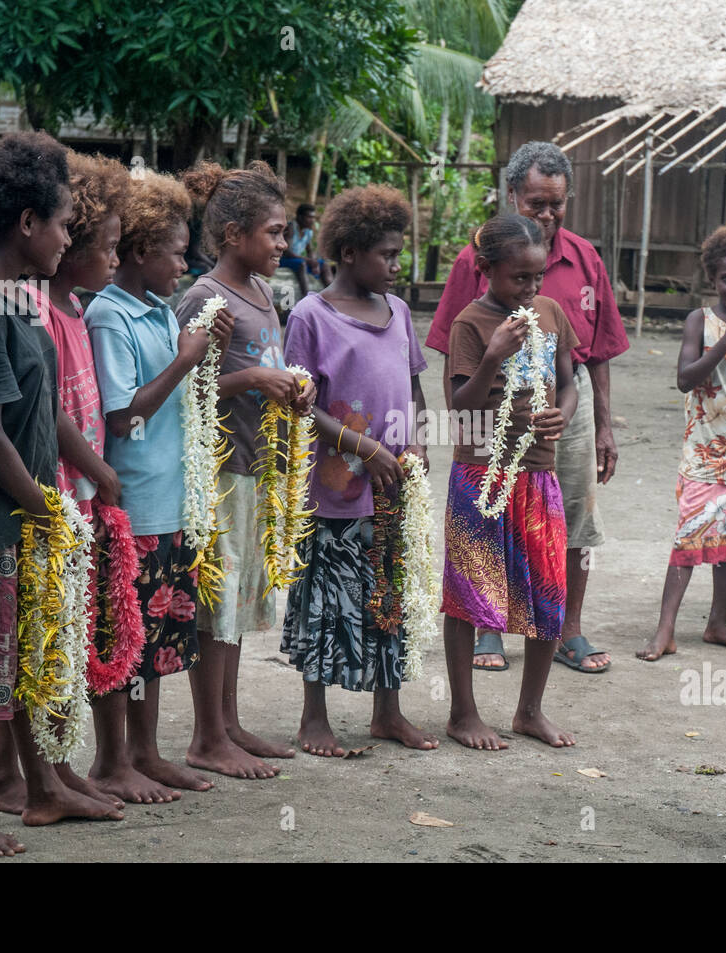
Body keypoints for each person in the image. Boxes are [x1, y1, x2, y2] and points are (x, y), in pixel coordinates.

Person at [0, 132, 123, 829]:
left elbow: (46, 409)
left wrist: (87, 479)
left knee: (30, 656)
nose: (66, 237)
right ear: (27, 224)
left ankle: (46, 782)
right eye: (61, 224)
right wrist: (48, 506)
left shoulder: (22, 300)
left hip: (28, 514)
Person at [427, 141, 626, 674]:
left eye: (556, 203)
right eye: (535, 202)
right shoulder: (478, 258)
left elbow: (598, 351)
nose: (546, 213)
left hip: (564, 406)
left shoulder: (584, 258)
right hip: (492, 416)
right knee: (492, 517)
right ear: (512, 195)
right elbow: (455, 355)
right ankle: (489, 628)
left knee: (572, 520)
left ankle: (567, 629)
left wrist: (602, 425)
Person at [86, 169, 227, 802]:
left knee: (159, 640)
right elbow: (123, 414)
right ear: (140, 252)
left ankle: (145, 751)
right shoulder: (110, 315)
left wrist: (197, 356)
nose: (186, 263)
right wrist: (184, 358)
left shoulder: (160, 312)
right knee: (125, 640)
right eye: (176, 250)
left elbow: (176, 403)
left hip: (170, 503)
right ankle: (112, 759)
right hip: (133, 507)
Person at [280, 185, 437, 756]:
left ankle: (387, 712)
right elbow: (299, 402)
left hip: (394, 485)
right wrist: (362, 447)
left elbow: (414, 384)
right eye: (387, 255)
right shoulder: (310, 316)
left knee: (389, 593)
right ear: (348, 252)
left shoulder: (397, 312)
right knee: (324, 596)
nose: (398, 266)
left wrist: (418, 441)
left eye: (399, 254)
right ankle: (313, 717)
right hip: (332, 491)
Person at [178, 161, 313, 779]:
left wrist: (291, 391)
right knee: (217, 601)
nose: (283, 245)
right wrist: (255, 378)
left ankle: (229, 724)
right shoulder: (205, 297)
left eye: (285, 234)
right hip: (222, 469)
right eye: (274, 233)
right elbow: (190, 387)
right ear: (233, 234)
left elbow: (270, 366)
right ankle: (207, 735)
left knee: (237, 603)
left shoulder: (263, 293)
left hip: (261, 464)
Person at [442, 213, 579, 749]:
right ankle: (462, 712)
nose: (529, 288)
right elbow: (461, 408)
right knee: (469, 591)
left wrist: (562, 413)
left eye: (536, 276)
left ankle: (529, 711)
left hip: (538, 473)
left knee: (549, 589)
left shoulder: (550, 313)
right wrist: (494, 354)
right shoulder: (470, 325)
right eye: (517, 278)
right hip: (481, 475)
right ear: (486, 269)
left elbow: (569, 383)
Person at [637, 223, 726, 663]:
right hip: (705, 455)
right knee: (689, 540)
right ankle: (665, 630)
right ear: (712, 278)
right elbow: (684, 378)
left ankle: (718, 621)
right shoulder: (702, 320)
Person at [280, 202, 326, 298]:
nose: (312, 220)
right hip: (284, 260)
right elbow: (287, 252)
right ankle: (306, 297)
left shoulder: (308, 231)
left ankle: (332, 299)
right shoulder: (291, 227)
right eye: (309, 217)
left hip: (297, 260)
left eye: (313, 217)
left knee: (324, 265)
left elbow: (310, 251)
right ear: (300, 217)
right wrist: (308, 260)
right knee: (302, 264)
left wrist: (314, 263)